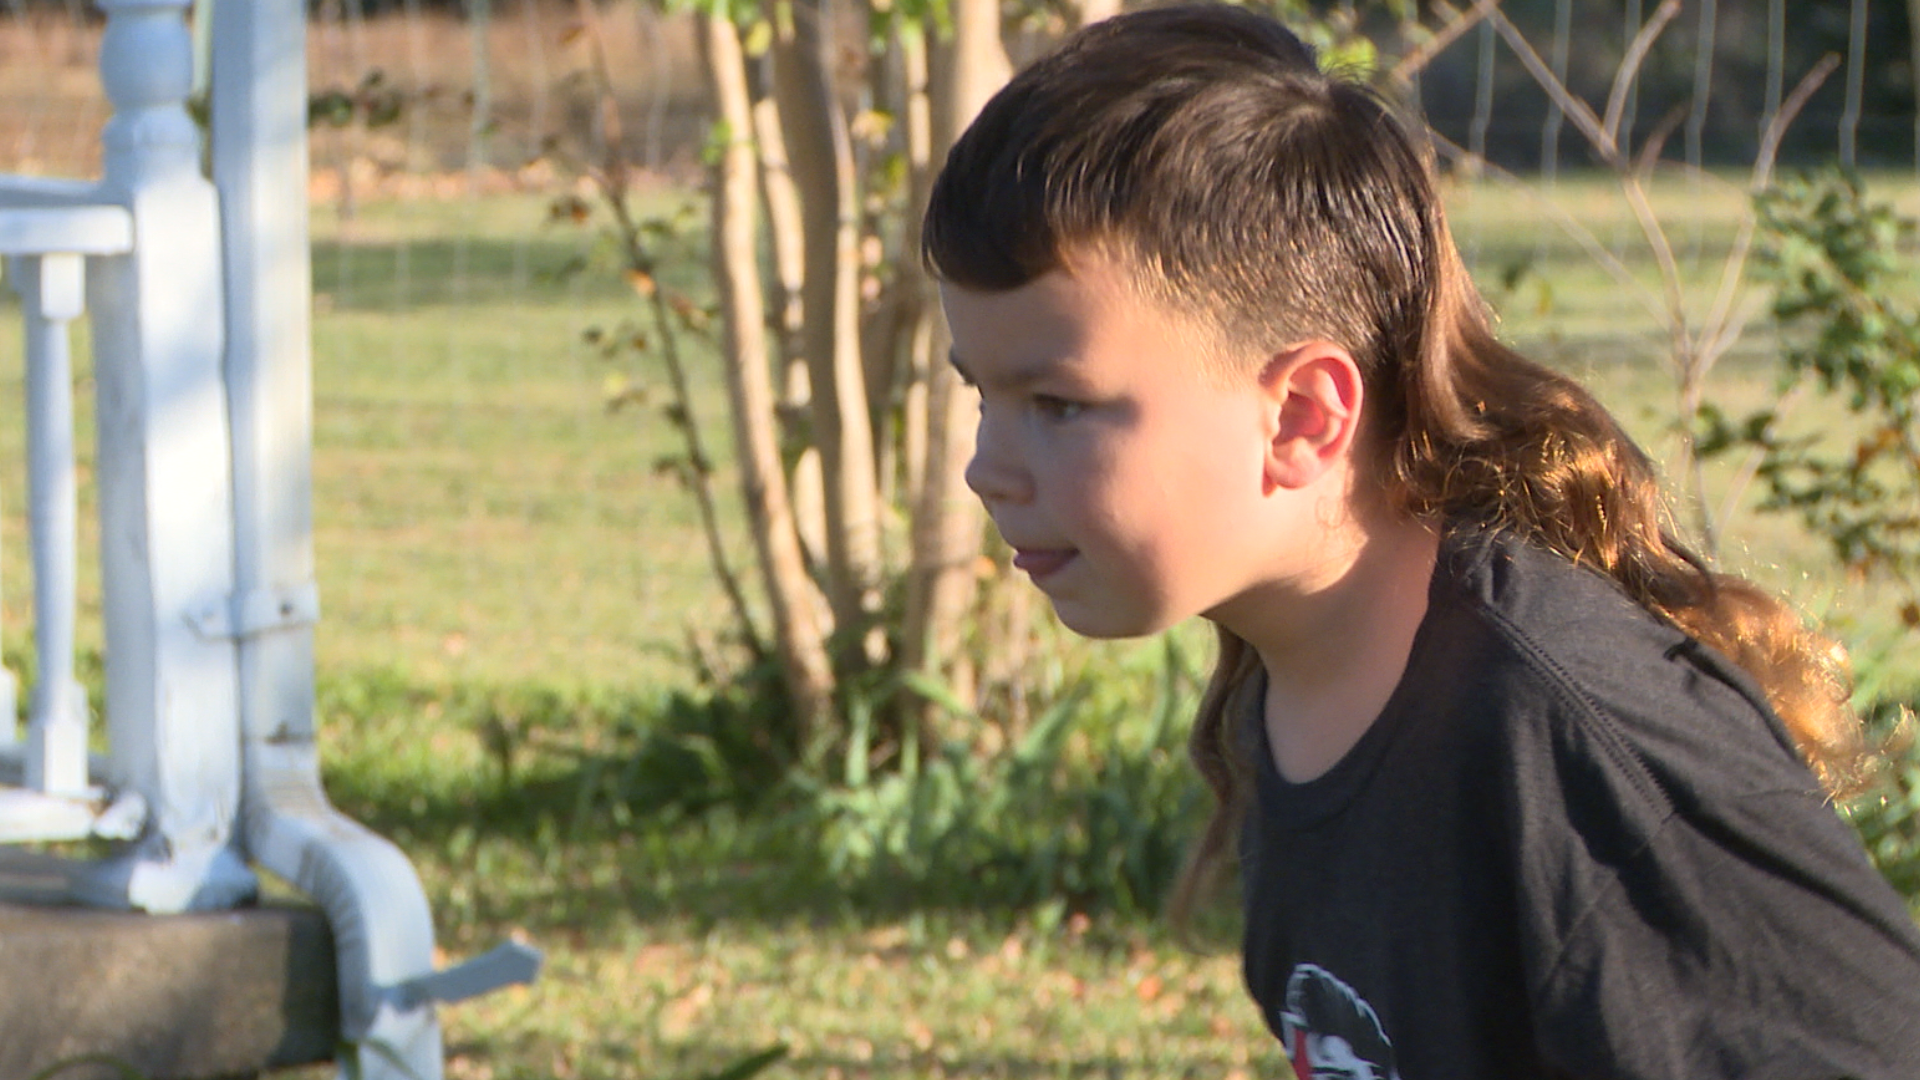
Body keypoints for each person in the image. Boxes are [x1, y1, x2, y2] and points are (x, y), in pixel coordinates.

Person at [920, 5, 1920, 1079]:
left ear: (1304, 416)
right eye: (982, 392)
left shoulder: (1569, 740)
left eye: (1059, 405)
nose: (987, 468)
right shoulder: (1290, 683)